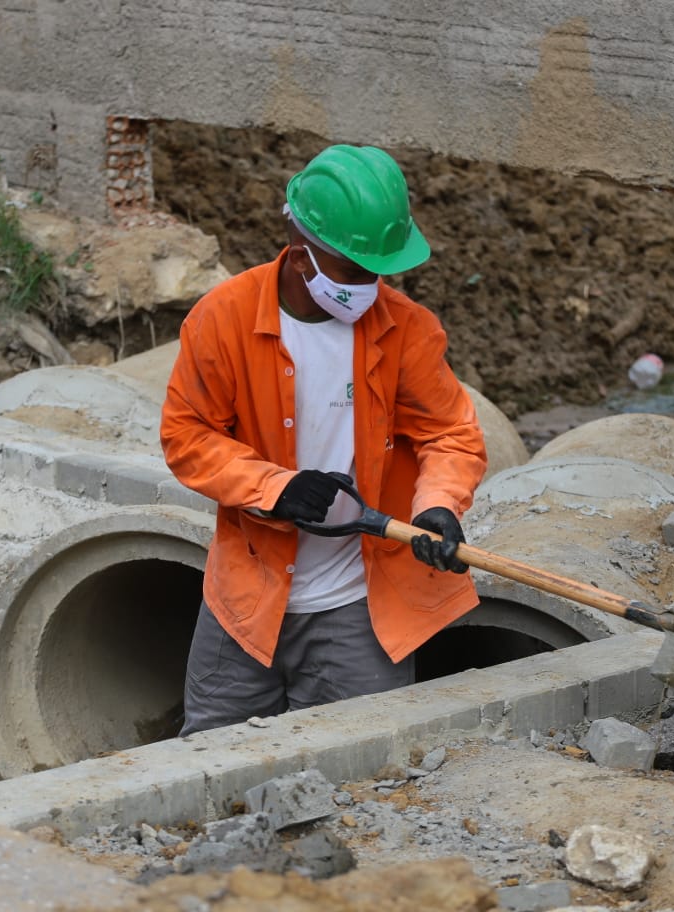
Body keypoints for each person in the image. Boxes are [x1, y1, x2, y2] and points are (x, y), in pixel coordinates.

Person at [160, 144, 488, 735]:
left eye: (376, 270)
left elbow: (450, 433)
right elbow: (187, 435)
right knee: (207, 761)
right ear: (299, 247)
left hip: (360, 609)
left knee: (362, 770)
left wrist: (438, 504)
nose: (368, 284)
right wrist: (275, 489)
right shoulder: (223, 320)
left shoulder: (406, 330)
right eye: (353, 269)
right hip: (247, 601)